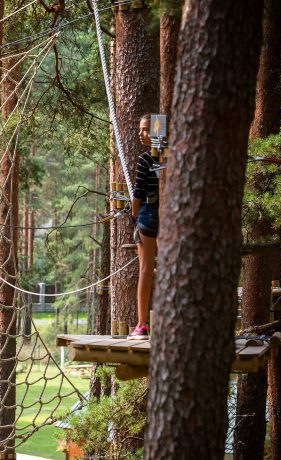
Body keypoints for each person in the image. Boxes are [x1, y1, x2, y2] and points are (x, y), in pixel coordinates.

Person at [129, 114, 159, 339]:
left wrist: (133, 213)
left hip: (149, 214)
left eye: (146, 129)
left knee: (146, 270)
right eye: (140, 129)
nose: (141, 133)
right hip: (169, 214)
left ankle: (141, 325)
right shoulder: (172, 158)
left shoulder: (145, 160)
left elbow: (138, 192)